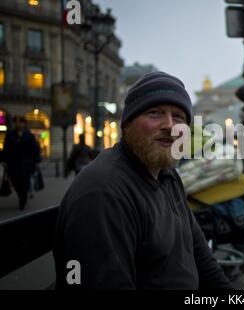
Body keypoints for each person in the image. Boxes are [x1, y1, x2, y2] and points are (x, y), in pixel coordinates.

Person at [53, 72, 231, 289]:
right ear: (127, 124)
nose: (170, 125)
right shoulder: (104, 192)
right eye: (154, 113)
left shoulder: (167, 174)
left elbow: (199, 251)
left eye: (179, 117)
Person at [2, 116, 41, 210]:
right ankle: (22, 196)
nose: (18, 124)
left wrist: (36, 161)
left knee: (25, 182)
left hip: (26, 164)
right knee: (15, 182)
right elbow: (6, 149)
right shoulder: (10, 135)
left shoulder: (29, 135)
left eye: (20, 122)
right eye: (16, 122)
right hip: (13, 164)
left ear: (24, 124)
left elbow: (35, 149)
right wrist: (4, 160)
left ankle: (22, 199)